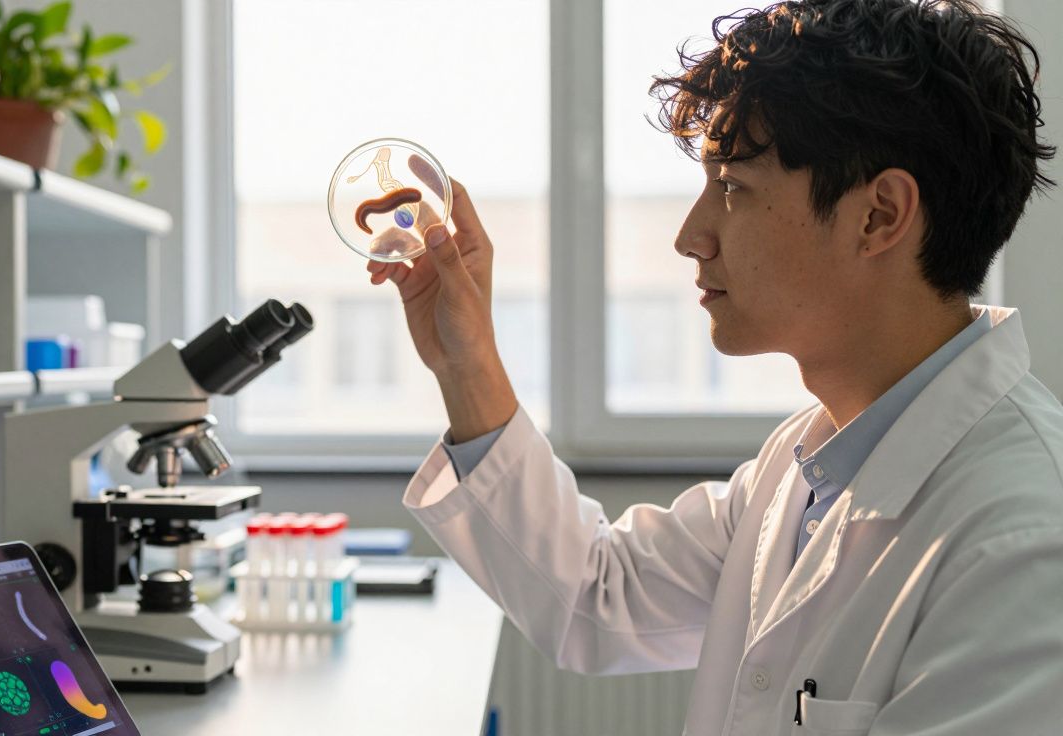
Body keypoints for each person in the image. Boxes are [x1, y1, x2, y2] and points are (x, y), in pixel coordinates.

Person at [366, 1, 1063, 733]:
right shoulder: (809, 468)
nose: (690, 236)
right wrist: (466, 359)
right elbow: (599, 597)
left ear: (879, 216)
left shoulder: (1021, 542)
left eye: (731, 187)